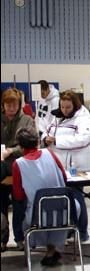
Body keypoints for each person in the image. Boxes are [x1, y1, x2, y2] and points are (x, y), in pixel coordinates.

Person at [12, 126, 81, 266]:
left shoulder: (18, 164)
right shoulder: (50, 153)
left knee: (30, 218)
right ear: (37, 142)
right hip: (66, 210)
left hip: (38, 216)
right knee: (58, 216)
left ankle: (42, 249)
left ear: (20, 146)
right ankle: (52, 250)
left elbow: (19, 196)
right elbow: (64, 178)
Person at [41, 90, 90, 241]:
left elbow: (83, 139)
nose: (64, 110)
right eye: (62, 107)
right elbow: (46, 131)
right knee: (65, 200)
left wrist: (56, 141)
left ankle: (82, 232)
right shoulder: (58, 116)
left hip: (76, 166)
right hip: (58, 165)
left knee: (77, 198)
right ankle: (70, 230)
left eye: (68, 107)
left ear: (75, 105)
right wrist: (46, 139)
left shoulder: (83, 118)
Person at [1, 88, 37, 252]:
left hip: (20, 170)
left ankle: (20, 238)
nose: (11, 108)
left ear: (19, 105)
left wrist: (11, 151)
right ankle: (2, 239)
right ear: (3, 105)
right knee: (1, 207)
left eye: (14, 105)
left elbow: (30, 143)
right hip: (1, 171)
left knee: (20, 206)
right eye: (8, 105)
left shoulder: (27, 120)